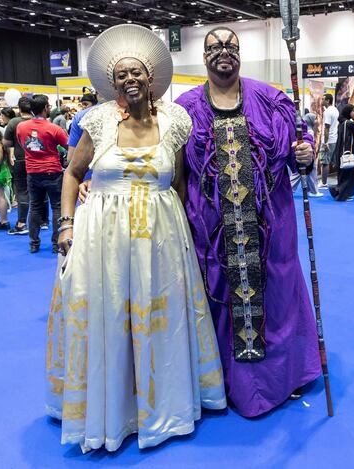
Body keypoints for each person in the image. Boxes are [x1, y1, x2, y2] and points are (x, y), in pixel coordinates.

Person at [48, 23, 225, 451]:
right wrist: (66, 223)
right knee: (108, 316)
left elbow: (179, 184)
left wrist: (186, 239)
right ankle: (113, 411)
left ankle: (163, 404)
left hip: (162, 235)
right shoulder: (97, 121)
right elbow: (73, 174)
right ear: (112, 84)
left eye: (137, 72)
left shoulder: (177, 122)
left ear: (151, 79)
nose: (130, 79)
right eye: (122, 74)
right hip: (102, 237)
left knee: (158, 317)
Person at [176, 26, 321, 417]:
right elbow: (170, 169)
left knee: (277, 298)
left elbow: (297, 151)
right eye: (214, 47)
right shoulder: (185, 108)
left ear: (240, 54)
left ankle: (283, 377)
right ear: (204, 57)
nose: (223, 52)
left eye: (231, 46)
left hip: (271, 227)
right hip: (212, 231)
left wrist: (306, 155)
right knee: (219, 301)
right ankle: (222, 383)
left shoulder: (272, 101)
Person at [16, 94, 67, 253]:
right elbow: (68, 145)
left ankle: (34, 243)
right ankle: (56, 244)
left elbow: (22, 144)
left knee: (35, 207)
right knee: (57, 208)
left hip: (32, 172)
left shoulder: (21, 127)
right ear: (46, 108)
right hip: (53, 171)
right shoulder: (54, 128)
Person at [3, 97, 34, 235]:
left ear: (19, 109)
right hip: (38, 161)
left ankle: (22, 223)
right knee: (40, 191)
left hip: (20, 160)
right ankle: (43, 221)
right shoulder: (39, 121)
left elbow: (6, 142)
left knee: (22, 191)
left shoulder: (14, 122)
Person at [329, 103, 354, 201]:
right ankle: (342, 194)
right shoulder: (349, 123)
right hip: (348, 151)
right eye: (353, 111)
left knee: (343, 173)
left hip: (341, 151)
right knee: (348, 173)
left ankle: (338, 191)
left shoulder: (342, 122)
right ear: (349, 112)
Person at [289, 108, 322, 197]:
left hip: (304, 156)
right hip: (301, 156)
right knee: (302, 174)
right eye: (315, 119)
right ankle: (312, 191)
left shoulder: (306, 128)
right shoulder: (310, 130)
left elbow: (305, 137)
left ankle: (312, 190)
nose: (316, 121)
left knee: (306, 173)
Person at [319, 93, 338, 188]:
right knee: (331, 161)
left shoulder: (328, 112)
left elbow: (327, 127)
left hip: (328, 140)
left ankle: (323, 182)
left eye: (323, 99)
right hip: (334, 139)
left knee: (324, 162)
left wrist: (325, 142)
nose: (321, 101)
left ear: (328, 101)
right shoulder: (335, 110)